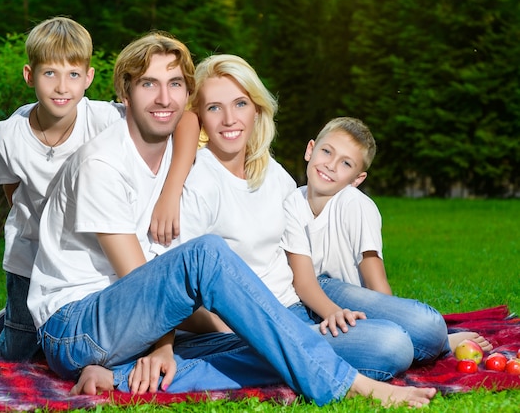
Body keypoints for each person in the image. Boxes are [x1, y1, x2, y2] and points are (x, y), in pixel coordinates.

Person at [27, 33, 436, 408]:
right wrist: (163, 345)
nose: (163, 98)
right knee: (207, 256)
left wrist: (263, 331)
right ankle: (345, 382)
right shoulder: (103, 164)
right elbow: (144, 283)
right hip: (76, 323)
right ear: (125, 93)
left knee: (384, 346)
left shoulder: (174, 144)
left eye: (174, 85)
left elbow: (187, 118)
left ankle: (127, 375)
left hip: (133, 317)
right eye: (148, 84)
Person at [150, 54, 417, 381]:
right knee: (392, 344)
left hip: (297, 309)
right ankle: (256, 363)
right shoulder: (199, 180)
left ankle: (296, 359)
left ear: (257, 109)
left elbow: (301, 266)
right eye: (214, 108)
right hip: (246, 326)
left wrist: (330, 312)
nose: (230, 119)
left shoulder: (273, 174)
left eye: (240, 104)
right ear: (201, 118)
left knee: (425, 329)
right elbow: (171, 286)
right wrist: (234, 329)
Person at [0, 17, 198, 361]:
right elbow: (13, 194)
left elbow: (185, 119)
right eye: (49, 73)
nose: (61, 87)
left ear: (89, 78)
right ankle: (12, 322)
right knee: (17, 355)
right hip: (31, 256)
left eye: (72, 75)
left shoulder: (103, 119)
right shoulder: (8, 135)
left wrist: (170, 192)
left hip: (86, 261)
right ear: (29, 75)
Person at [281, 116, 492, 367]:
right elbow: (304, 282)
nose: (331, 165)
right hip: (308, 302)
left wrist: (391, 320)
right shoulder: (291, 203)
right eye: (326, 152)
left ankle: (437, 342)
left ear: (357, 179)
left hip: (351, 301)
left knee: (431, 327)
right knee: (394, 346)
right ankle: (411, 345)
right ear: (310, 150)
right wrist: (332, 313)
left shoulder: (355, 204)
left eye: (345, 163)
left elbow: (375, 282)